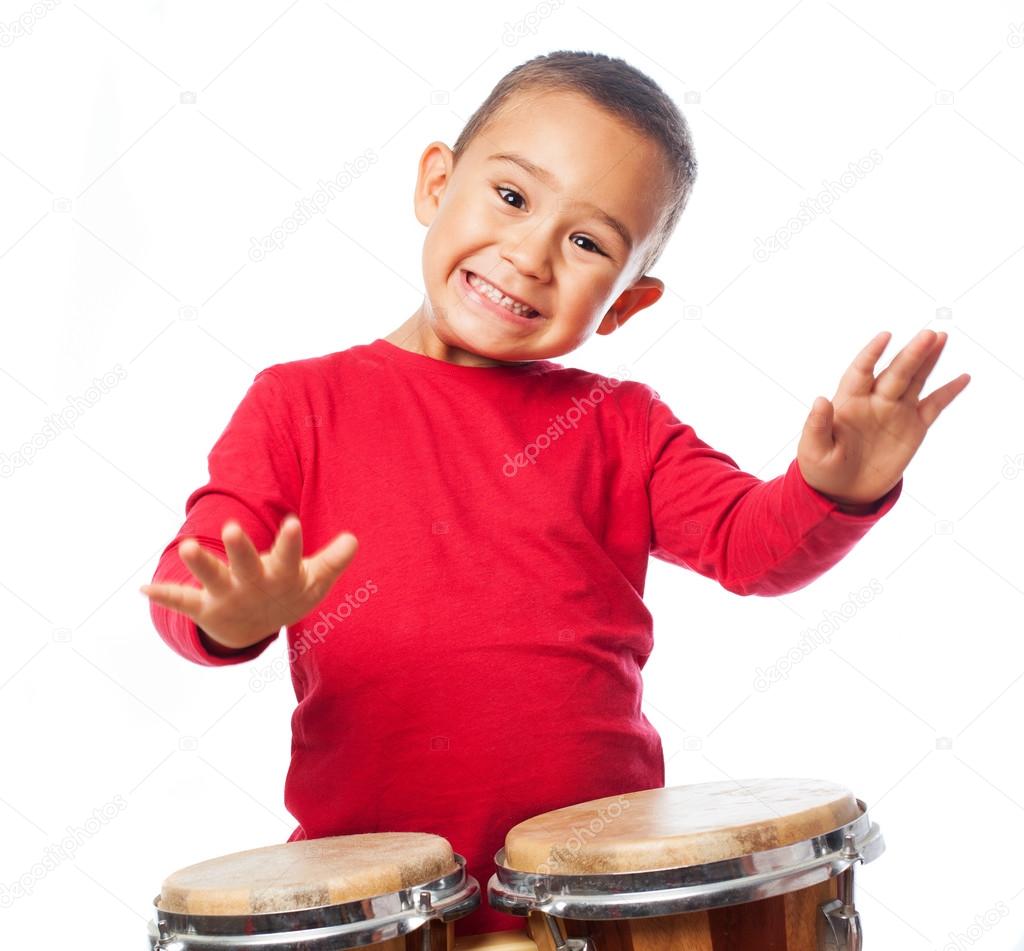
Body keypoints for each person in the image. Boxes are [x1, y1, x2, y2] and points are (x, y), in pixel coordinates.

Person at [140, 51, 969, 937]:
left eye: (587, 243)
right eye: (511, 196)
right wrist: (232, 612)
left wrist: (836, 489)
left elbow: (749, 545)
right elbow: (195, 577)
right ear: (435, 183)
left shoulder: (624, 424)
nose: (529, 254)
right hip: (380, 908)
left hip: (600, 900)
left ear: (624, 304)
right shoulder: (297, 404)